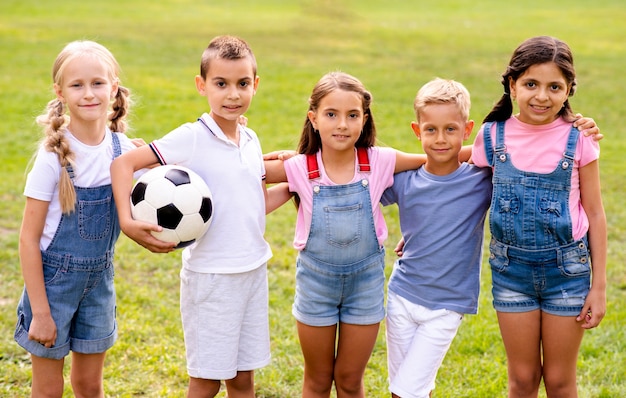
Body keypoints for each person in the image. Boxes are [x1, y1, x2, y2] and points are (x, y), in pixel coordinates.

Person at [111, 35, 283, 398]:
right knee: (206, 382)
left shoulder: (250, 140)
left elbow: (250, 203)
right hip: (212, 278)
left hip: (253, 270)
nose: (232, 94)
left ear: (256, 84)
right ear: (201, 86)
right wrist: (127, 221)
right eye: (221, 84)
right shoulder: (191, 138)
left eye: (242, 84)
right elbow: (123, 163)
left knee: (243, 380)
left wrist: (298, 185)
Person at [264, 71, 435, 398]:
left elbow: (436, 159)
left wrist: (492, 150)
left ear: (364, 120)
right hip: (316, 286)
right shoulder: (300, 167)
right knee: (317, 379)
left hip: (365, 286)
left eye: (352, 115)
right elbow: (244, 172)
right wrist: (264, 158)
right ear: (313, 119)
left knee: (349, 379)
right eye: (331, 114)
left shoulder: (379, 161)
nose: (342, 124)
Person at [471, 36, 607, 397]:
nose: (542, 96)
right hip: (510, 272)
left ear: (569, 91)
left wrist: (599, 286)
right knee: (522, 379)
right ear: (512, 85)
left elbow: (595, 212)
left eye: (554, 87)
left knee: (561, 382)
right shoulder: (490, 137)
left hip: (568, 273)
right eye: (531, 84)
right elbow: (458, 190)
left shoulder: (579, 139)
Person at [14, 40, 136, 397]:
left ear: (114, 87)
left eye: (98, 83)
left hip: (99, 283)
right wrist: (40, 312)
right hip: (52, 287)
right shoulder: (53, 157)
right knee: (49, 388)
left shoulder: (124, 152)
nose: (89, 94)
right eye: (77, 85)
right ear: (61, 92)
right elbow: (27, 239)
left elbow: (169, 172)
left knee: (88, 385)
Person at [380, 78, 493, 398]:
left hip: (447, 305)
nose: (440, 139)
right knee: (405, 387)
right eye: (431, 130)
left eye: (451, 130)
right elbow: (362, 181)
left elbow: (522, 149)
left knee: (407, 391)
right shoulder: (404, 181)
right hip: (401, 295)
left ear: (467, 129)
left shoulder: (480, 180)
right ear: (417, 130)